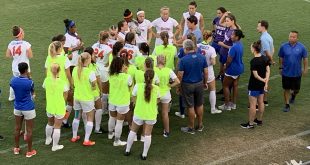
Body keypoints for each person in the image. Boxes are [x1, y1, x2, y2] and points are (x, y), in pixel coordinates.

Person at [124, 69, 160, 160]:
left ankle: (127, 150)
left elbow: (133, 97)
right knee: (148, 135)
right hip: (150, 114)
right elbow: (158, 100)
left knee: (133, 131)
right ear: (153, 78)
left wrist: (137, 103)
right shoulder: (156, 88)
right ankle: (144, 155)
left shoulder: (138, 86)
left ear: (144, 77)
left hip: (139, 113)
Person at [177, 39, 208, 134]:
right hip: (199, 83)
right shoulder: (202, 57)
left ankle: (190, 128)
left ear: (186, 48)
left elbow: (180, 76)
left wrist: (178, 87)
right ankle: (200, 125)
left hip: (187, 85)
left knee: (190, 106)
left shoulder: (183, 60)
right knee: (199, 104)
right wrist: (205, 83)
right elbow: (206, 72)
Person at [240, 40, 270, 129]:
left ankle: (251, 124)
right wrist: (265, 82)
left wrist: (263, 80)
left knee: (253, 105)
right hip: (262, 85)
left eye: (251, 47)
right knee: (261, 102)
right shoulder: (265, 58)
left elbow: (256, 75)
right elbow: (268, 71)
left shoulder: (254, 61)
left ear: (254, 49)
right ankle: (259, 120)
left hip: (254, 85)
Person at [10, 62, 36, 158]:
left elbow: (13, 86)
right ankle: (29, 151)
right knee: (29, 131)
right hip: (28, 108)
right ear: (26, 70)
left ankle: (16, 148)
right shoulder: (30, 82)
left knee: (17, 128)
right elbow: (32, 92)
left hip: (17, 107)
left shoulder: (13, 80)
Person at [71, 52, 96, 146]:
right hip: (87, 98)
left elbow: (73, 82)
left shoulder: (75, 69)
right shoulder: (90, 72)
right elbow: (94, 84)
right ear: (88, 60)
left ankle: (74, 136)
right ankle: (86, 140)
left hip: (77, 97)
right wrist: (93, 88)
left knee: (76, 116)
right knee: (90, 118)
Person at [278, 31, 308, 112]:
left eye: (294, 37)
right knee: (286, 89)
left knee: (296, 90)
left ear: (297, 38)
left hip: (297, 73)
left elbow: (305, 59)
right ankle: (287, 105)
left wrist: (305, 69)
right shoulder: (283, 46)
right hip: (286, 73)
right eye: (290, 36)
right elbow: (281, 57)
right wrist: (280, 67)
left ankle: (293, 96)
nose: (291, 38)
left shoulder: (302, 47)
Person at [43, 63, 69, 151]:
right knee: (57, 126)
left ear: (50, 70)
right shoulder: (63, 82)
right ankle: (55, 146)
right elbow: (66, 94)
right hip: (59, 106)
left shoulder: (46, 80)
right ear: (59, 71)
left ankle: (48, 139)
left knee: (49, 123)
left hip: (50, 105)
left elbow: (45, 88)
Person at [108, 57, 132, 146]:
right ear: (121, 66)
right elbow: (129, 86)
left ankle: (110, 134)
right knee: (119, 122)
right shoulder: (127, 76)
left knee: (112, 117)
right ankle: (117, 141)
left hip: (112, 100)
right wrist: (125, 72)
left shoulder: (110, 75)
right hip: (122, 102)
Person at [218, 29, 245, 111]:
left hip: (232, 69)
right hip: (240, 68)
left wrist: (225, 67)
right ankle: (233, 104)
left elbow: (229, 60)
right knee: (235, 85)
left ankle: (227, 105)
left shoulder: (233, 47)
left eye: (233, 35)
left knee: (225, 85)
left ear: (237, 37)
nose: (231, 36)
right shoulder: (240, 44)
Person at [197, 31, 222, 114]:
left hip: (199, 71)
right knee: (212, 89)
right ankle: (213, 109)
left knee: (198, 90)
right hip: (209, 71)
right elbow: (213, 62)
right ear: (210, 38)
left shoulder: (197, 46)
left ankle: (196, 109)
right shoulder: (211, 49)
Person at [155, 55, 180, 137]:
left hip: (156, 95)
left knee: (152, 112)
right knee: (165, 113)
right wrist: (170, 86)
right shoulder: (169, 70)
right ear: (165, 61)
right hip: (166, 94)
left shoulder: (153, 70)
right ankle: (167, 131)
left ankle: (146, 133)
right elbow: (177, 81)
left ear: (157, 61)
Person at [6, 26, 33, 101]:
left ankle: (11, 96)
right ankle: (30, 96)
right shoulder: (26, 44)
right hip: (25, 68)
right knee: (28, 81)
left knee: (14, 80)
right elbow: (30, 56)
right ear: (20, 34)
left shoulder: (11, 44)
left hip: (15, 67)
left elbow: (8, 55)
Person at [217, 13, 239, 94]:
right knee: (223, 72)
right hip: (223, 52)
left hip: (228, 54)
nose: (226, 22)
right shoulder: (228, 27)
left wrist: (222, 44)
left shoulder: (235, 32)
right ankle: (224, 89)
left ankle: (227, 92)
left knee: (227, 74)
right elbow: (220, 23)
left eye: (227, 21)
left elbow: (233, 47)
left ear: (232, 21)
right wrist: (225, 15)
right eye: (225, 21)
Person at [84, 47, 105, 134]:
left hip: (83, 92)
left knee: (84, 110)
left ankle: (86, 127)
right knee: (99, 108)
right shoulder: (94, 66)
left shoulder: (79, 67)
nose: (95, 55)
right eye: (93, 54)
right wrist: (101, 90)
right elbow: (98, 80)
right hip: (94, 91)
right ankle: (97, 128)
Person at [92, 31, 112, 117]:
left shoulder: (94, 45)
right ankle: (104, 109)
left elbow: (92, 57)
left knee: (95, 88)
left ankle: (95, 107)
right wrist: (107, 63)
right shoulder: (108, 48)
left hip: (95, 67)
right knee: (105, 91)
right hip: (104, 70)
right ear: (106, 39)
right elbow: (111, 60)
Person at [257, 20, 274, 106]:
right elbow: (272, 49)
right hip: (266, 60)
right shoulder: (269, 36)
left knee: (261, 80)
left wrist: (271, 60)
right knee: (265, 79)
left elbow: (267, 51)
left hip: (263, 62)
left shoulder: (263, 38)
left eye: (258, 26)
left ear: (263, 27)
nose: (257, 28)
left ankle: (261, 101)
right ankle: (265, 100)